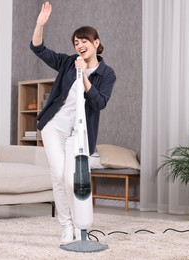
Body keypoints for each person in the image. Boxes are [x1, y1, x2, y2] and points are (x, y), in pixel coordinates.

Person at [30, 1, 116, 245]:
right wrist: (40, 24)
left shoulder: (106, 74)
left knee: (72, 180)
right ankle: (67, 228)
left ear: (96, 43)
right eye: (76, 42)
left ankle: (82, 227)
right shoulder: (68, 62)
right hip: (54, 126)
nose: (79, 45)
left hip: (80, 132)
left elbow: (99, 103)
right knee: (58, 176)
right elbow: (38, 48)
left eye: (83, 41)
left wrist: (84, 77)